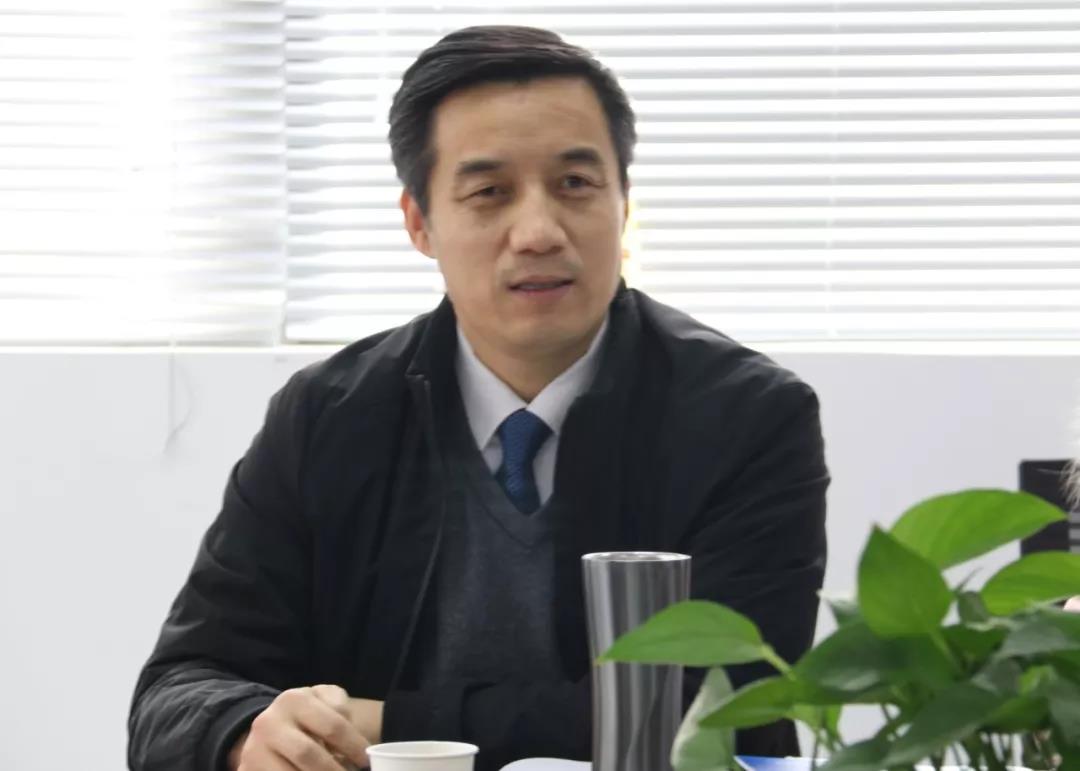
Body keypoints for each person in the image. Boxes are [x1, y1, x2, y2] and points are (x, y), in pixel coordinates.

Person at [127, 26, 829, 771]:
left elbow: (721, 711)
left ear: (623, 202)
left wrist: (388, 725)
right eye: (490, 192)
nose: (538, 231)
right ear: (419, 223)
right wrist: (245, 732)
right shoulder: (327, 417)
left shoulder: (749, 418)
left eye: (575, 183)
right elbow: (178, 690)